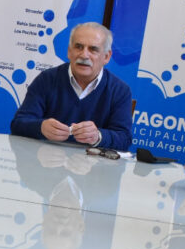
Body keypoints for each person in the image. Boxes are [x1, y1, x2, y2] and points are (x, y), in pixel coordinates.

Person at [9, 22, 133, 152]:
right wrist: (40, 127)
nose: (84, 55)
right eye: (78, 47)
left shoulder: (119, 91)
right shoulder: (46, 79)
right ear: (69, 51)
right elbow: (18, 124)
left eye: (93, 49)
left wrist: (98, 136)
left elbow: (124, 139)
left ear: (106, 57)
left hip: (93, 167)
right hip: (47, 162)